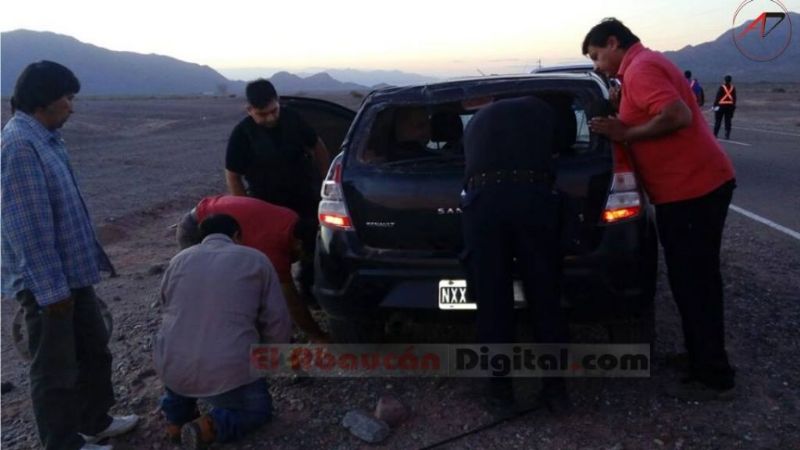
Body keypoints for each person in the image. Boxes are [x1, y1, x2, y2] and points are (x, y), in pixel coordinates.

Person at [583, 18, 737, 401]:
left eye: (597, 56)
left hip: (694, 190)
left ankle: (714, 373)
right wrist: (627, 111)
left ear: (615, 42)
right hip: (691, 189)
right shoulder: (643, 66)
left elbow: (677, 115)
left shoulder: (641, 68)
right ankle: (701, 357)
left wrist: (625, 132)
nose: (598, 65)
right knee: (692, 280)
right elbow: (658, 110)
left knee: (696, 280)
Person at [1, 61, 138, 450]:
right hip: (49, 285)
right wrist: (51, 292)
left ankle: (94, 421)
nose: (72, 107)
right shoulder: (20, 146)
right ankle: (62, 443)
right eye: (67, 97)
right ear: (44, 100)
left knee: (93, 350)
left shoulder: (45, 139)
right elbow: (28, 228)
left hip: (71, 277)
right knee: (54, 369)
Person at [461, 96, 570, 416]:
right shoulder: (546, 110)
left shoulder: (478, 122)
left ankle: (499, 395)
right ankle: (555, 392)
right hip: (533, 198)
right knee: (545, 296)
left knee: (492, 300)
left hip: (482, 204)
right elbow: (562, 146)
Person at [155, 214, 292, 448]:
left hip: (171, 362)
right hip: (226, 367)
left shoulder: (179, 259)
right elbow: (277, 320)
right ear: (237, 236)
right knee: (258, 411)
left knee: (178, 358)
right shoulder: (256, 259)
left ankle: (177, 420)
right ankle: (210, 427)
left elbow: (165, 304)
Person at [224, 79, 330, 303]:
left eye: (274, 111)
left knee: (312, 247)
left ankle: (309, 295)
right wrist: (246, 211)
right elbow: (232, 174)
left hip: (303, 197)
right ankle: (272, 302)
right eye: (263, 114)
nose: (270, 118)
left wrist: (326, 183)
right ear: (249, 110)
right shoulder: (242, 134)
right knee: (269, 255)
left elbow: (317, 145)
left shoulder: (293, 119)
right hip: (266, 204)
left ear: (278, 102)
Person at [175, 194, 329, 343]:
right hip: (197, 228)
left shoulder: (292, 220)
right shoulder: (272, 246)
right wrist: (317, 335)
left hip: (212, 213)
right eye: (302, 256)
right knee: (215, 289)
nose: (297, 260)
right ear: (299, 244)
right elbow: (291, 300)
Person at [713, 75, 737, 140]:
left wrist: (714, 105)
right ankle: (727, 134)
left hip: (721, 106)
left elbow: (718, 96)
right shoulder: (733, 88)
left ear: (724, 80)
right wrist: (733, 107)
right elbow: (734, 98)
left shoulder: (722, 87)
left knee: (718, 120)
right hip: (730, 106)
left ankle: (715, 134)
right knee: (728, 121)